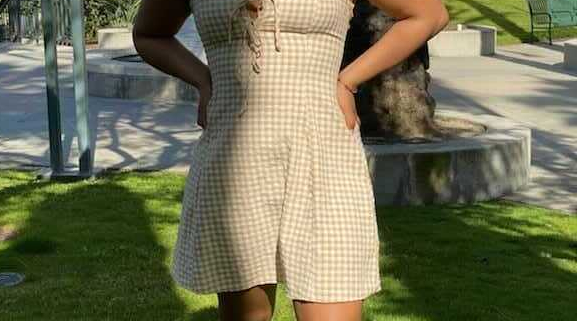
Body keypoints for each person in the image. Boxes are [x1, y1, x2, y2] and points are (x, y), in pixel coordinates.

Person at [133, 0, 448, 320]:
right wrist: (203, 79)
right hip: (235, 166)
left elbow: (428, 15)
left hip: (324, 160)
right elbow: (149, 34)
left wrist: (349, 79)